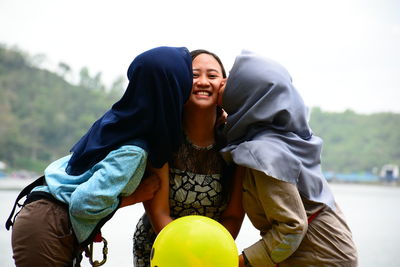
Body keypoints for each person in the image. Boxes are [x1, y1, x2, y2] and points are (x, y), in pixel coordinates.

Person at [6, 46, 193, 267]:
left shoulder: (118, 123)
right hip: (50, 225)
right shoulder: (133, 150)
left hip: (40, 216)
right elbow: (82, 205)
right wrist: (136, 196)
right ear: (172, 92)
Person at [219, 50, 358, 267]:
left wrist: (240, 262)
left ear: (249, 94)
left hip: (318, 257)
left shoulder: (263, 152)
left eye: (233, 80)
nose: (222, 81)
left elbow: (291, 227)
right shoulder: (282, 137)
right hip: (331, 247)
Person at [132, 49, 245, 267]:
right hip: (160, 247)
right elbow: (159, 212)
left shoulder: (236, 145)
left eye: (212, 76)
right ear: (180, 82)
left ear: (224, 85)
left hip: (210, 254)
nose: (203, 82)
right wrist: (183, 255)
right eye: (194, 75)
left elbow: (233, 215)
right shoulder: (164, 135)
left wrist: (206, 255)